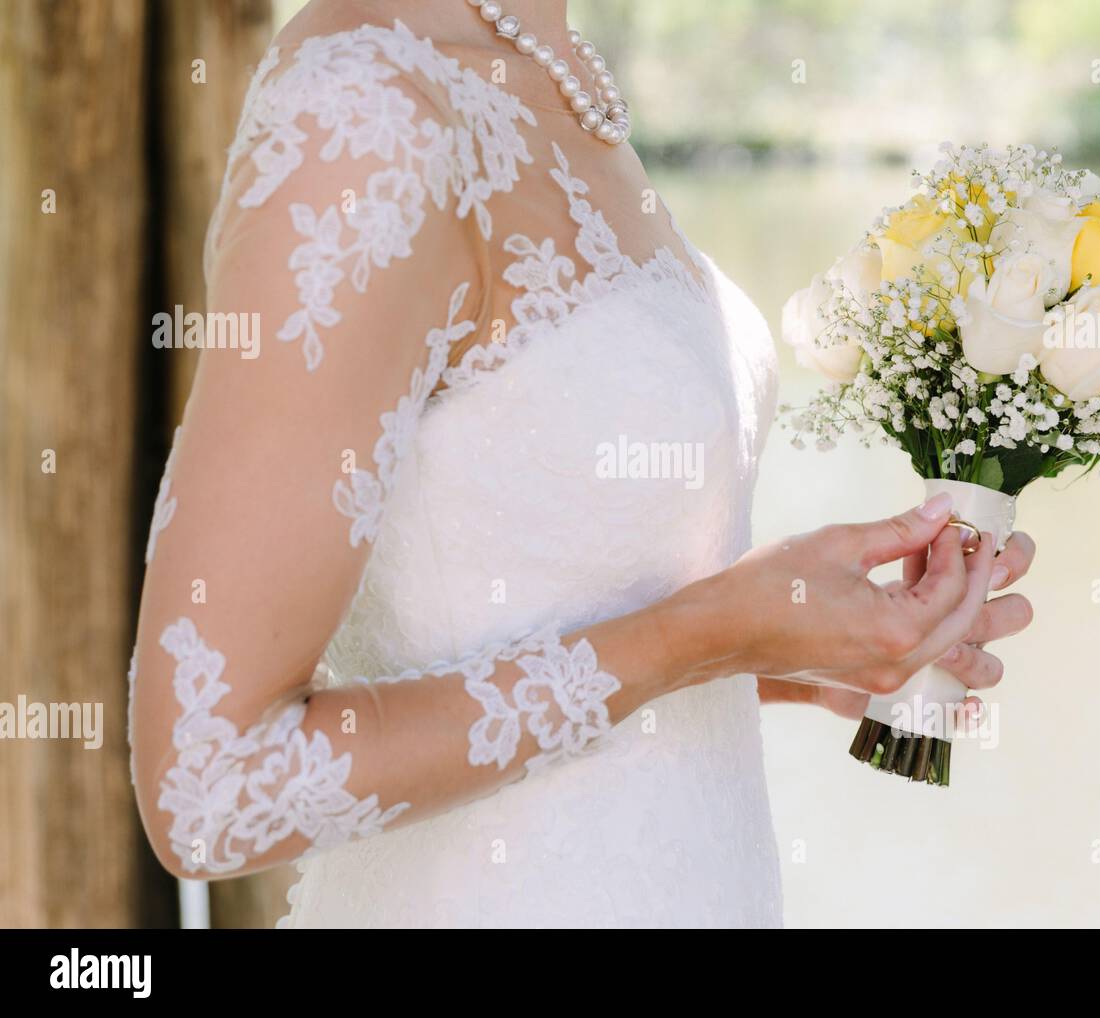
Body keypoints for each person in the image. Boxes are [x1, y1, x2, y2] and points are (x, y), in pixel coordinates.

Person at [129, 0, 1035, 928]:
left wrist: (782, 649)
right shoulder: (364, 116)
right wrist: (709, 636)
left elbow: (535, 591)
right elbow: (212, 789)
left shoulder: (558, 68)